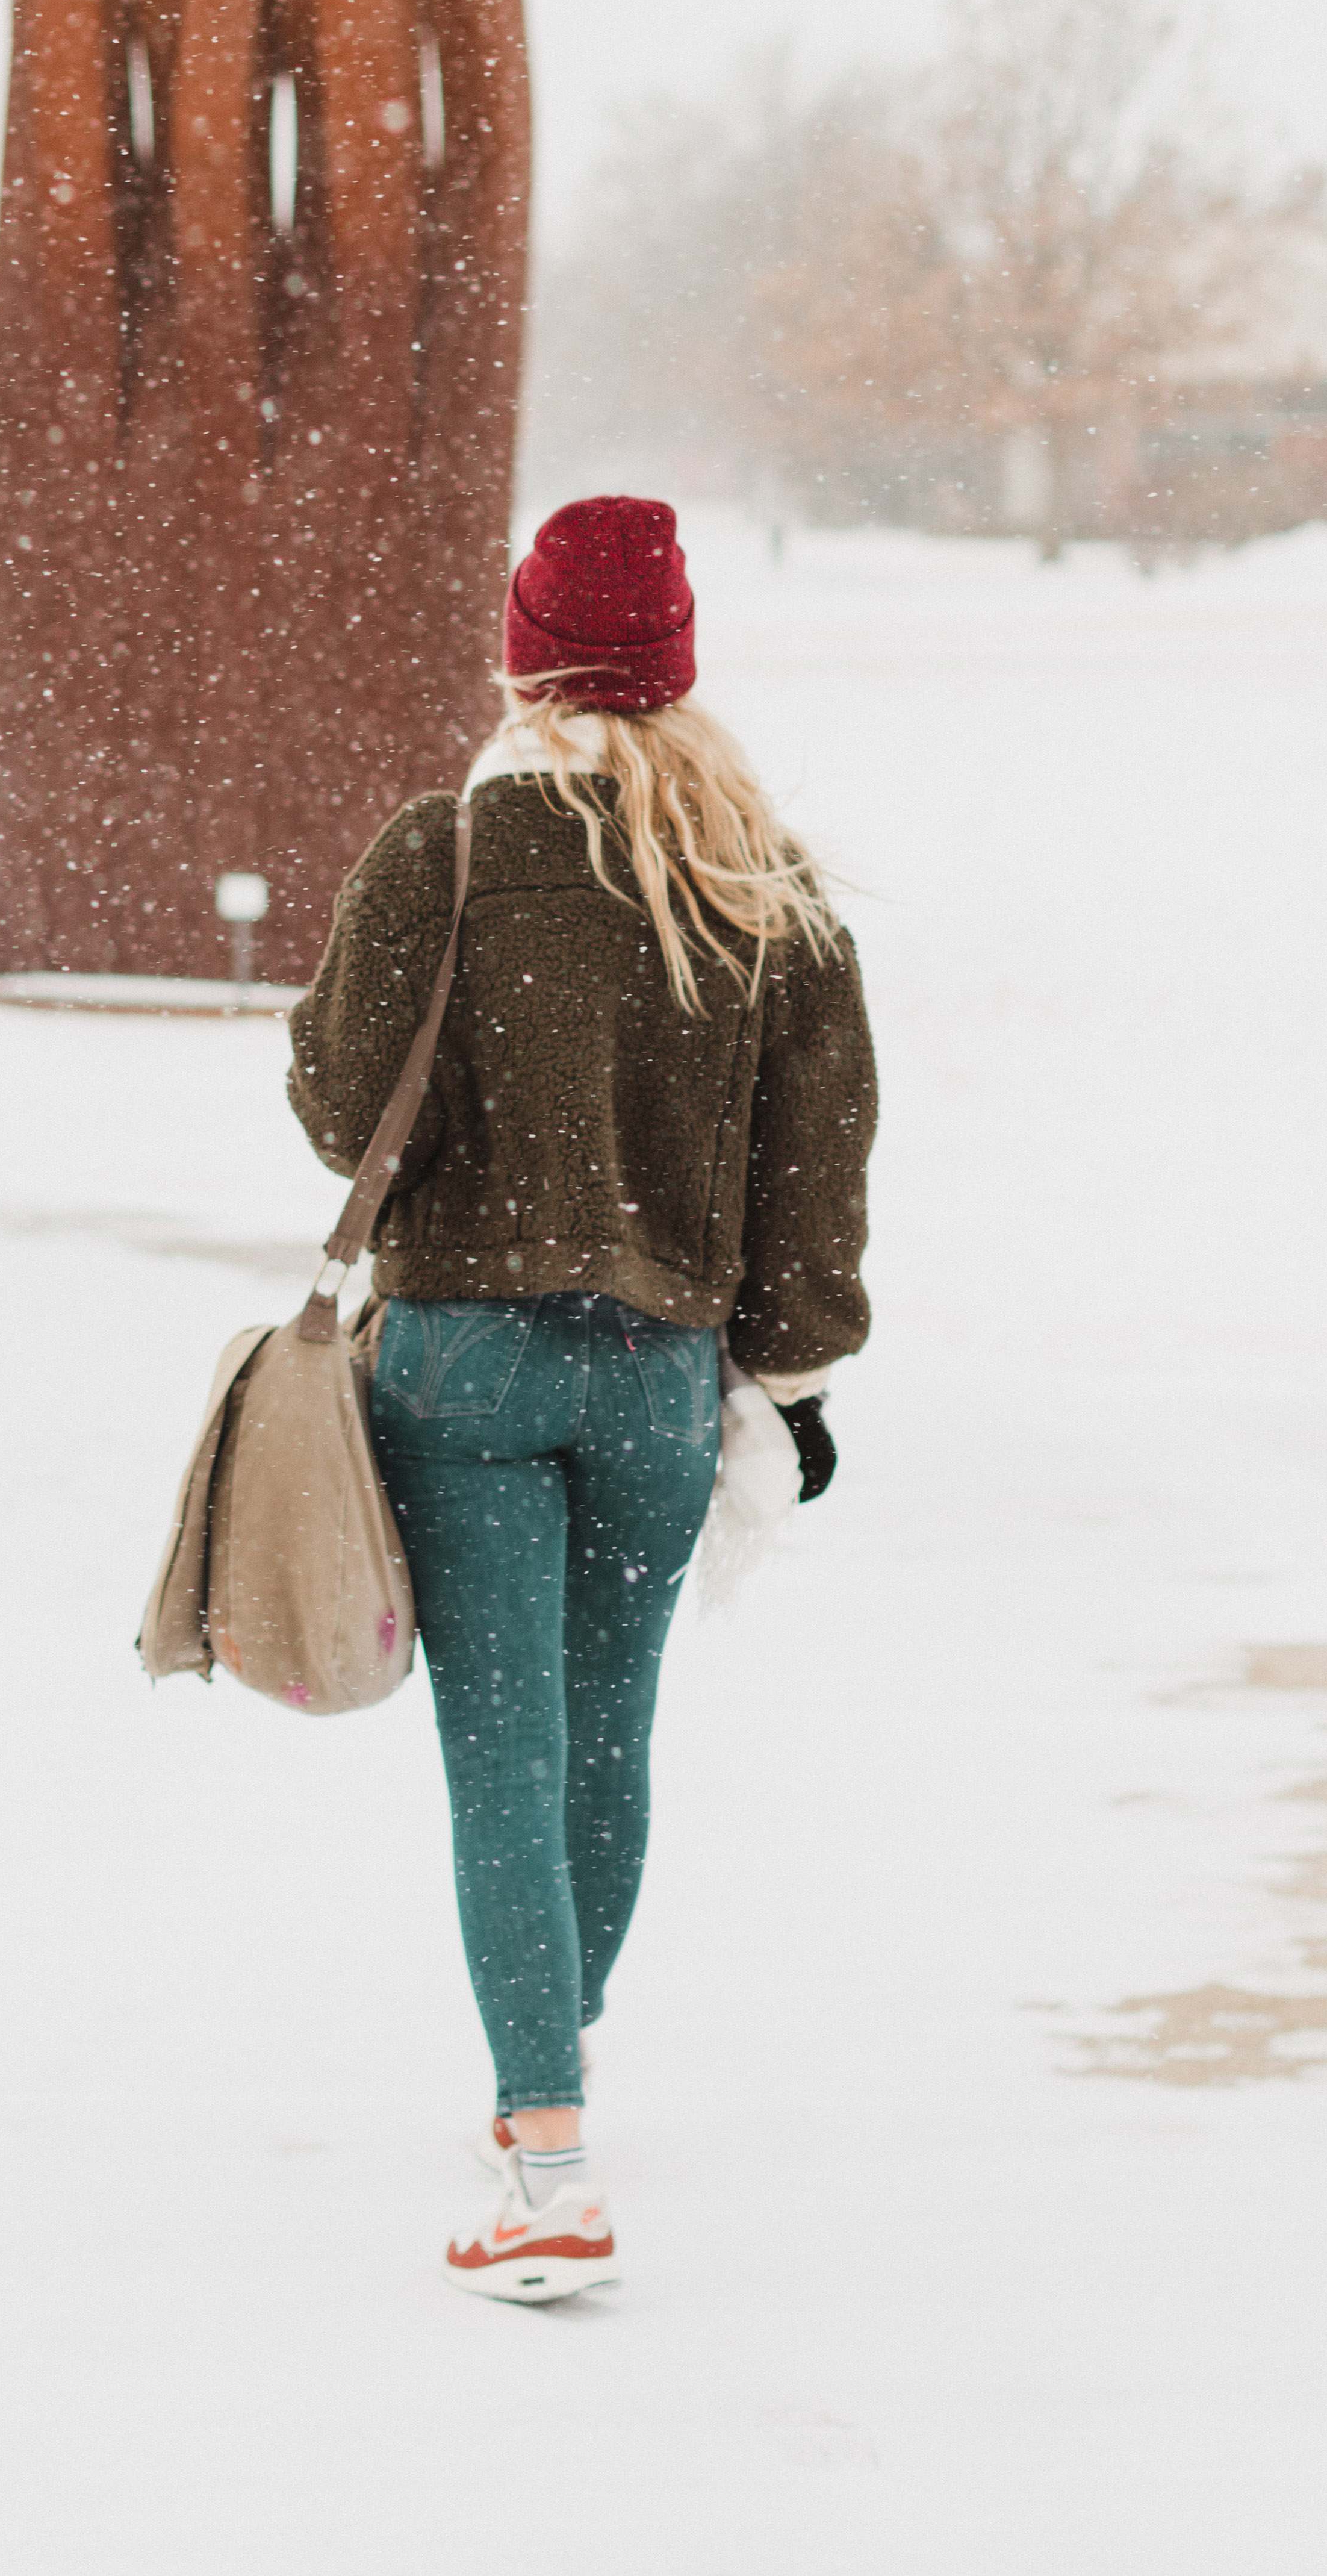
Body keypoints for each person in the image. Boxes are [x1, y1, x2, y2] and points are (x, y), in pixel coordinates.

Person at [286, 496, 875, 2305]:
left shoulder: (444, 853)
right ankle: (554, 2049)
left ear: (524, 658)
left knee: (503, 1755)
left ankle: (548, 2166)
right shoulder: (758, 880)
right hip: (654, 1379)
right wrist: (792, 1372)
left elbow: (338, 1107)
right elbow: (816, 1167)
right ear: (675, 661)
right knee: (606, 1736)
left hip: (461, 1362)